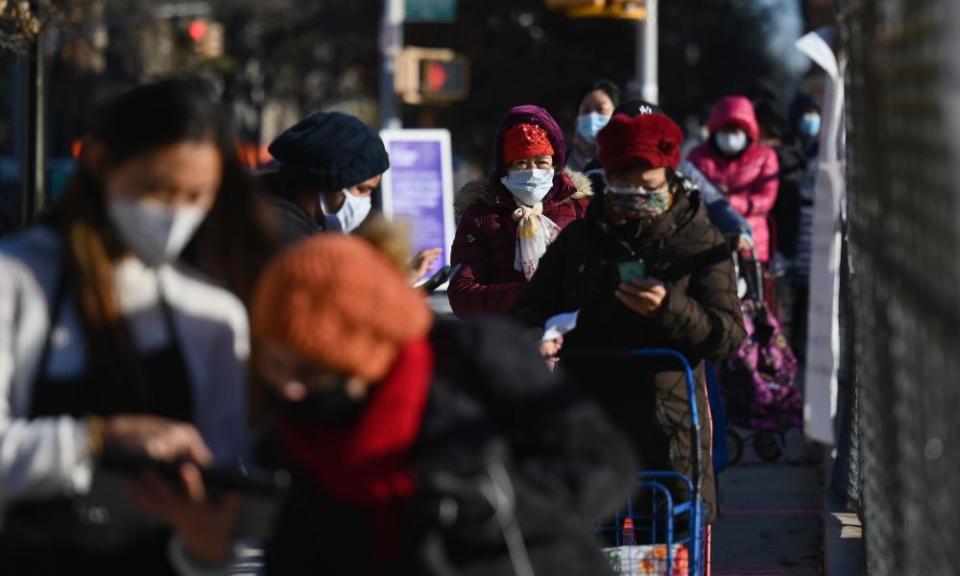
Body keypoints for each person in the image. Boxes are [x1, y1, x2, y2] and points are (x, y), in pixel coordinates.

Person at [0, 79, 270, 574]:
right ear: (102, 164)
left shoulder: (211, 316)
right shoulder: (16, 280)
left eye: (196, 197)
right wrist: (96, 439)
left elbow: (220, 485)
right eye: (158, 190)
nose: (175, 216)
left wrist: (207, 542)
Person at [245, 234, 633, 575]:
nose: (290, 389)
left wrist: (492, 504)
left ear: (364, 355)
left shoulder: (476, 360)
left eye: (311, 371)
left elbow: (606, 465)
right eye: (274, 367)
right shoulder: (295, 434)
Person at [512, 111, 746, 522]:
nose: (636, 194)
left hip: (668, 433)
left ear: (670, 178)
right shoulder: (581, 239)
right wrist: (536, 333)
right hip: (589, 429)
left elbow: (727, 334)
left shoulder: (698, 241)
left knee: (666, 551)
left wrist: (669, 308)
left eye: (648, 186)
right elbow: (530, 307)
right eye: (623, 184)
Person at [449, 105, 593, 316]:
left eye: (541, 162)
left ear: (555, 164)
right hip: (506, 339)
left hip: (570, 339)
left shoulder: (581, 208)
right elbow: (463, 295)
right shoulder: (480, 216)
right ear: (505, 168)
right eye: (521, 163)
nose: (532, 172)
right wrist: (529, 295)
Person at [262, 111, 441, 280]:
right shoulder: (287, 241)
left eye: (371, 191)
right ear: (323, 184)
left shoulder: (297, 225)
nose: (365, 202)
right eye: (361, 190)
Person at [584, 99, 754, 247]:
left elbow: (712, 200)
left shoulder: (680, 170)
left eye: (650, 135)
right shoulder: (595, 174)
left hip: (667, 253)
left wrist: (737, 228)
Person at [688, 96, 780, 264]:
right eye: (725, 130)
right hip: (709, 242)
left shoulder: (765, 156)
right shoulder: (698, 156)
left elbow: (766, 199)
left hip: (752, 245)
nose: (730, 137)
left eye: (735, 131)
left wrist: (730, 202)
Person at [773, 93, 822, 354]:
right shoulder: (786, 152)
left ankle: (804, 344)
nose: (810, 120)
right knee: (789, 293)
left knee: (812, 291)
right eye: (805, 114)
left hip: (815, 229)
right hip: (790, 230)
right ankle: (788, 346)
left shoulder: (823, 150)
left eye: (815, 114)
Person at [567, 80, 621, 173]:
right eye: (586, 110)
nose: (592, 116)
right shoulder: (560, 163)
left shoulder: (623, 163)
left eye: (601, 110)